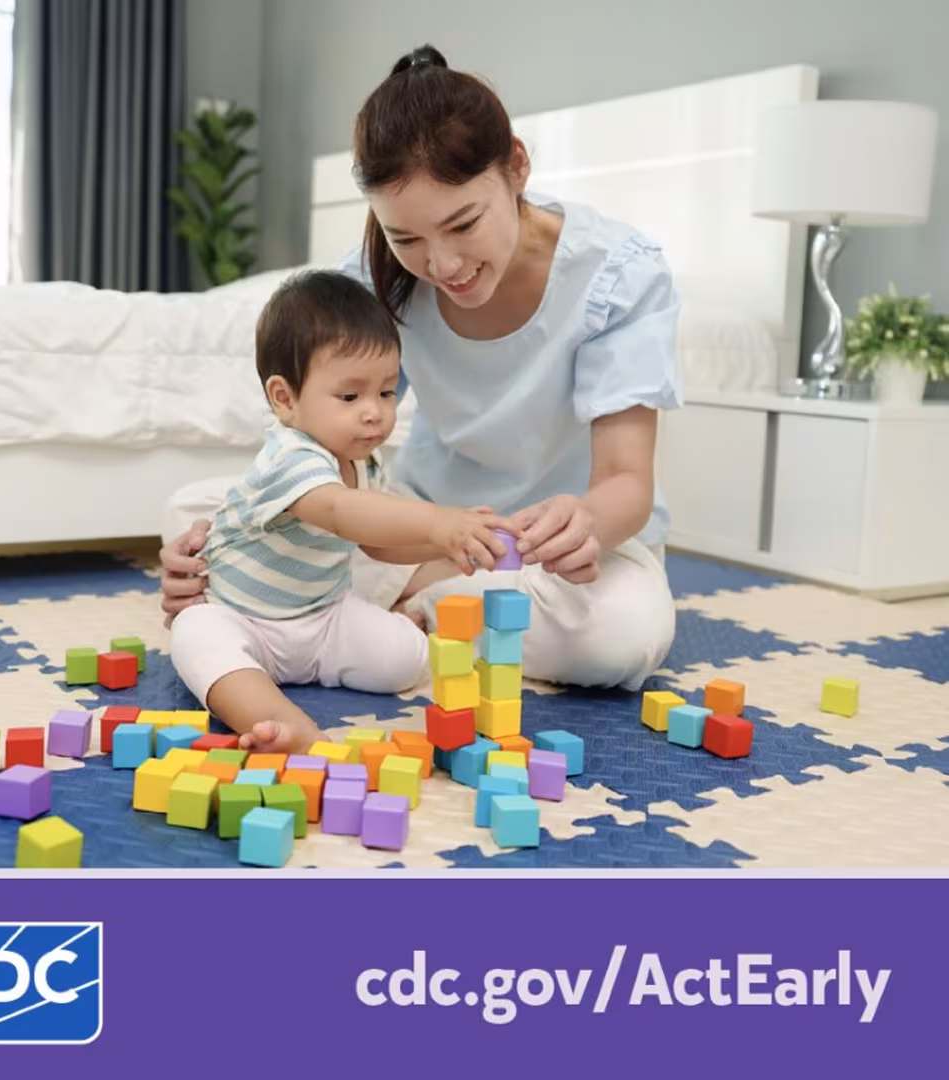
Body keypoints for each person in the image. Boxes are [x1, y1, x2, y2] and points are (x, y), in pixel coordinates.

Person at [161, 44, 682, 700]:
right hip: (421, 523)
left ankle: (380, 607)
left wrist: (588, 522)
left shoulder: (619, 276)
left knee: (624, 637)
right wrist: (220, 537)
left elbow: (627, 484)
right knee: (194, 510)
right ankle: (423, 604)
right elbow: (319, 449)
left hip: (561, 547)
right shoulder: (375, 275)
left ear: (516, 165)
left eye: (463, 224)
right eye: (406, 238)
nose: (441, 265)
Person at [169, 269, 516, 753]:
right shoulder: (289, 458)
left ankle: (401, 628)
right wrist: (438, 521)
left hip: (324, 618)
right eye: (350, 397)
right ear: (285, 399)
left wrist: (445, 544)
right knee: (195, 636)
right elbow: (339, 511)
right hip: (243, 618)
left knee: (405, 659)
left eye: (387, 391)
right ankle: (281, 722)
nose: (374, 411)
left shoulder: (363, 461)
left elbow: (376, 542)